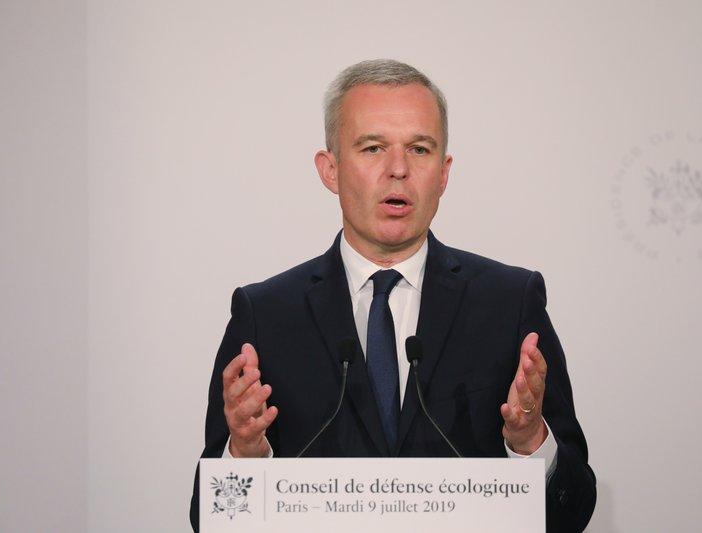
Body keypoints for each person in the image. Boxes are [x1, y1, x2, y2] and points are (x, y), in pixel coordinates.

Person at [190, 59, 596, 532]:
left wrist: (529, 444)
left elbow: (573, 512)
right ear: (330, 170)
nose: (399, 170)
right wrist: (245, 456)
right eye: (373, 148)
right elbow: (208, 520)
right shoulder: (266, 315)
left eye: (419, 149)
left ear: (443, 173)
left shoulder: (509, 303)